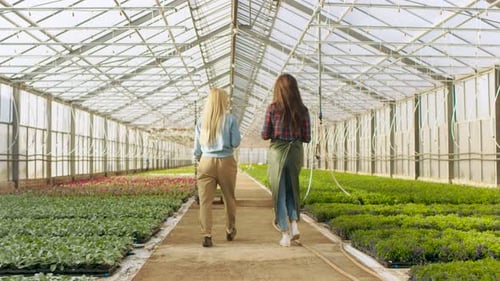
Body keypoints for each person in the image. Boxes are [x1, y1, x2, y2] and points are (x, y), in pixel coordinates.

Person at [261, 73, 311, 247]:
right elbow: (307, 137)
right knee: (292, 189)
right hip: (295, 153)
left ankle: (284, 234)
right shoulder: (303, 110)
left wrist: (278, 134)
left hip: (278, 153)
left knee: (279, 192)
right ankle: (294, 224)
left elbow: (265, 134)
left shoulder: (273, 108)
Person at [193, 88, 241, 247]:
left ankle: (206, 235)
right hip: (226, 161)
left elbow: (197, 149)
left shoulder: (202, 121)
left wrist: (201, 158)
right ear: (223, 101)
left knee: (205, 201)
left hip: (206, 161)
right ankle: (229, 229)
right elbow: (235, 143)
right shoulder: (230, 120)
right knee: (229, 198)